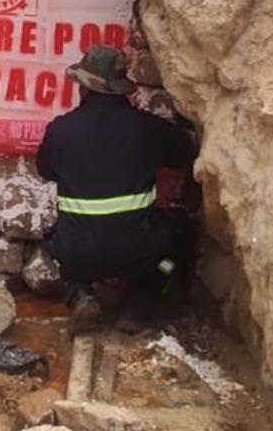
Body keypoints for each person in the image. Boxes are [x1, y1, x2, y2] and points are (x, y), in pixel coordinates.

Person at [34, 45, 197, 330]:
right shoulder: (147, 129)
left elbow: (45, 171)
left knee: (63, 247)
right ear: (122, 89)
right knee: (176, 245)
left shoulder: (60, 130)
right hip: (139, 254)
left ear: (83, 88)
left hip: (78, 254)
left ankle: (80, 295)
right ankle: (139, 303)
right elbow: (183, 153)